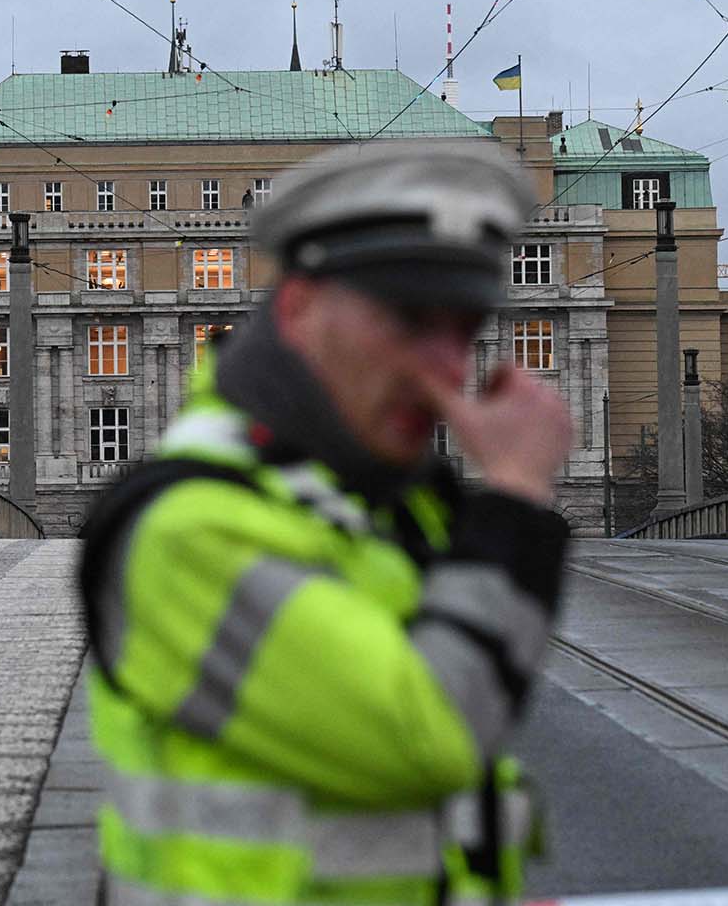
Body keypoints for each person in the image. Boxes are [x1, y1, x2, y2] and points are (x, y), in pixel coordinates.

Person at [78, 143, 574, 906]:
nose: (446, 366)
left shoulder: (380, 502)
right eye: (409, 319)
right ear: (298, 307)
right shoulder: (191, 531)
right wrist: (511, 498)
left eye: (465, 328)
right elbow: (426, 735)